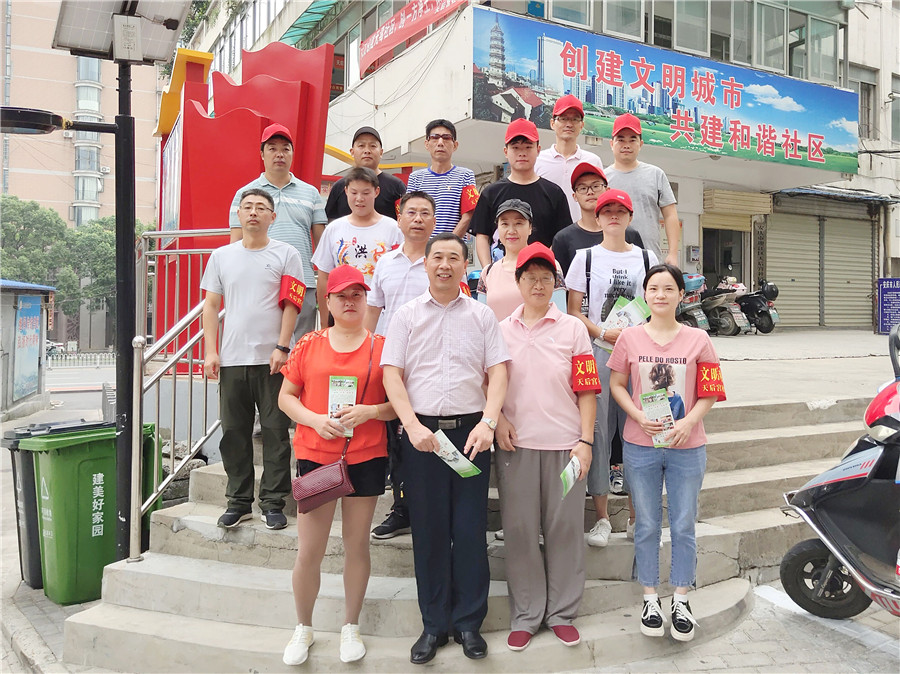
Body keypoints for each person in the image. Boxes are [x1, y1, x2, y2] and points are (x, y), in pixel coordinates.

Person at [381, 233, 509, 664]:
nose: (445, 265)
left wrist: (489, 422)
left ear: (464, 266)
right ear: (426, 264)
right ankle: (434, 625)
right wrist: (411, 424)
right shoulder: (406, 315)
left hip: (472, 434)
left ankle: (469, 623)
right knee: (430, 531)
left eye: (454, 257)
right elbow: (392, 374)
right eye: (438, 257)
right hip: (423, 436)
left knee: (470, 529)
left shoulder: (482, 315)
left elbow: (498, 372)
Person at [278, 264, 396, 665]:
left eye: (357, 295)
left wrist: (370, 412)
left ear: (366, 300)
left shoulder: (382, 347)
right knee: (309, 550)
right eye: (342, 296)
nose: (350, 302)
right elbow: (286, 397)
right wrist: (314, 420)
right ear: (327, 301)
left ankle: (350, 625)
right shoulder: (309, 344)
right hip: (316, 456)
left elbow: (398, 404)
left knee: (356, 545)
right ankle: (303, 627)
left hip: (365, 456)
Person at [608, 263, 726, 642]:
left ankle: (681, 598)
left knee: (683, 523)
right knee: (645, 523)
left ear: (680, 295)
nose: (660, 295)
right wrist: (638, 416)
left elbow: (710, 391)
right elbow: (617, 384)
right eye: (653, 288)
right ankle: (649, 598)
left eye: (668, 288)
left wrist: (689, 422)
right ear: (644, 295)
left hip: (686, 446)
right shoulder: (629, 338)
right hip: (640, 445)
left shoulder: (698, 339)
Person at [495, 242, 599, 652]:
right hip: (516, 446)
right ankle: (526, 614)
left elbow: (587, 389)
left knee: (564, 530)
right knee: (520, 531)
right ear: (518, 282)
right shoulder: (500, 329)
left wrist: (585, 441)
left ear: (556, 284)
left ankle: (561, 613)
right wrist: (498, 419)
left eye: (545, 278)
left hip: (566, 446)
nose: (538, 285)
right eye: (530, 278)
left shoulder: (573, 329)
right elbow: (489, 383)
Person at [201, 188, 303, 531]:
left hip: (273, 360)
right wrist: (211, 351)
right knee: (234, 433)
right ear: (239, 214)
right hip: (232, 358)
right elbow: (211, 306)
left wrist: (282, 347)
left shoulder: (287, 254)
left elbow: (292, 304)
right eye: (248, 207)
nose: (254, 212)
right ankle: (238, 502)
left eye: (261, 207)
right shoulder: (221, 256)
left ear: (273, 217)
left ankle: (273, 503)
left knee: (275, 432)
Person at [565, 189, 657, 548]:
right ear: (598, 217)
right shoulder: (585, 258)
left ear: (630, 217)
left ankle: (636, 517)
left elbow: (656, 302)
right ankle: (602, 518)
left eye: (621, 211)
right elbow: (574, 310)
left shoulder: (646, 257)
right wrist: (603, 332)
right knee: (598, 432)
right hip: (598, 352)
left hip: (640, 356)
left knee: (639, 430)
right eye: (607, 211)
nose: (614, 216)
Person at [365, 191, 437, 540]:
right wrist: (365, 353)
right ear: (400, 219)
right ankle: (401, 508)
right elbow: (373, 311)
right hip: (390, 362)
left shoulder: (441, 261)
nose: (418, 219)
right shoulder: (385, 263)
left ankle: (430, 509)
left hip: (430, 363)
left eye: (425, 213)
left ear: (434, 222)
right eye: (411, 213)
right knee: (395, 438)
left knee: (426, 433)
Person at [228, 123, 326, 341]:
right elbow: (235, 245)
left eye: (285, 148)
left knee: (301, 345)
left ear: (292, 154)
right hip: (260, 280)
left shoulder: (311, 193)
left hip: (302, 282)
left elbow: (322, 246)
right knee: (262, 342)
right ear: (262, 154)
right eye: (272, 148)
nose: (279, 154)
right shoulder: (245, 195)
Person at [471, 118, 571, 267]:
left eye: (528, 147)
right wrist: (488, 271)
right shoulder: (491, 193)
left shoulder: (554, 193)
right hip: (501, 272)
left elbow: (561, 238)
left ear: (538, 150)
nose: (522, 153)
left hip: (541, 273)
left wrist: (545, 266)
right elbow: (482, 236)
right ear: (506, 151)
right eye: (515, 147)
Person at [311, 166, 403, 328]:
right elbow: (324, 277)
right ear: (346, 191)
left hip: (382, 317)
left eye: (366, 193)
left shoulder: (393, 229)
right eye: (354, 193)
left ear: (376, 192)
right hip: (343, 315)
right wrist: (325, 323)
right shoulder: (334, 229)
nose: (359, 199)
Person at [604, 113, 680, 265]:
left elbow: (670, 215)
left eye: (632, 140)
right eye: (621, 139)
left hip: (648, 257)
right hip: (611, 257)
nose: (626, 145)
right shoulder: (602, 179)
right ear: (611, 144)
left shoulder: (656, 174)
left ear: (641, 144)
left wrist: (673, 253)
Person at [476, 198, 565, 321]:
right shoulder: (488, 272)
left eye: (519, 223)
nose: (511, 231)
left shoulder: (549, 265)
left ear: (530, 228)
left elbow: (560, 317)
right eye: (505, 224)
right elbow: (482, 320)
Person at [551, 162, 644, 275]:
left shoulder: (628, 233)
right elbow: (560, 280)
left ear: (607, 190)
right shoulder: (563, 238)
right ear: (574, 196)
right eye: (583, 188)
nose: (590, 192)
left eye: (596, 186)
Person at [534, 95, 604, 223]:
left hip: (583, 231)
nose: (569, 124)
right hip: (546, 232)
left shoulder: (593, 161)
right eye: (563, 118)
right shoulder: (538, 160)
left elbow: (601, 199)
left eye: (575, 119)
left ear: (582, 125)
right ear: (552, 123)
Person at [406, 119, 479, 237]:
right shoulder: (415, 178)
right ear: (426, 144)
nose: (440, 143)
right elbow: (409, 214)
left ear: (455, 145)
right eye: (435, 137)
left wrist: (447, 243)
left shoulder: (466, 175)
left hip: (453, 246)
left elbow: (469, 215)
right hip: (421, 246)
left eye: (446, 138)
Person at [325, 126, 406, 221]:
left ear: (381, 152)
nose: (367, 151)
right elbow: (330, 220)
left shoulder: (396, 186)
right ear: (352, 152)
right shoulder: (339, 186)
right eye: (361, 146)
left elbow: (406, 218)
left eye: (373, 146)